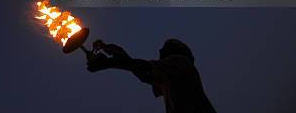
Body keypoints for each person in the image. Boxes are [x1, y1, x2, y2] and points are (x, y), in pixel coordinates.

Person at [86, 39, 216, 113]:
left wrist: (108, 63)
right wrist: (116, 52)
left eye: (166, 47)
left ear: (176, 50)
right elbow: (142, 72)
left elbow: (145, 67)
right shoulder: (170, 78)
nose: (160, 50)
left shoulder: (181, 62)